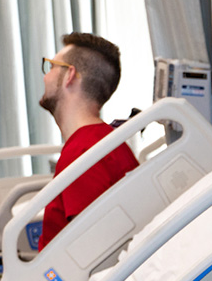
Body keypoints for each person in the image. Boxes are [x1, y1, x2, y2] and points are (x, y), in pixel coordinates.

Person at [38, 31, 138, 248]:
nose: (45, 77)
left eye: (51, 66)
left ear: (69, 75)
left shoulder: (83, 155)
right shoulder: (105, 142)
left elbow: (90, 253)